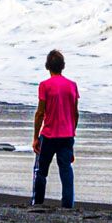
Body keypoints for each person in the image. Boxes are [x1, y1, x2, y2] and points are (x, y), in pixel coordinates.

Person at [30, 49, 79, 208]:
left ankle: (37, 202)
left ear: (47, 66)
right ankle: (67, 205)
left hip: (50, 134)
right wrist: (73, 132)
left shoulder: (45, 85)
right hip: (66, 135)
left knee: (41, 170)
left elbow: (40, 113)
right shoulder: (72, 85)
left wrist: (35, 137)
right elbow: (75, 113)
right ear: (63, 66)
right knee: (66, 170)